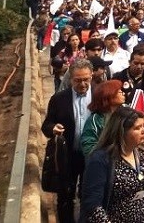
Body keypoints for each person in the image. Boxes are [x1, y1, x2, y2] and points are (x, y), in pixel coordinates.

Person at [79, 107, 144, 223]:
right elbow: (92, 205)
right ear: (122, 131)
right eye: (137, 128)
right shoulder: (100, 159)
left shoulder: (140, 152)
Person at [42, 59, 94, 223]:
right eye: (78, 80)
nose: (83, 84)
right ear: (70, 78)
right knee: (65, 196)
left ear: (91, 76)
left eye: (86, 79)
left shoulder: (100, 96)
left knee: (90, 195)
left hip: (92, 157)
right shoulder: (59, 99)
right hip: (67, 156)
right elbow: (46, 125)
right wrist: (53, 129)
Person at [80, 80, 127, 158]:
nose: (123, 93)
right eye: (119, 92)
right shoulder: (95, 120)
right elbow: (88, 147)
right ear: (109, 95)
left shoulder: (127, 112)